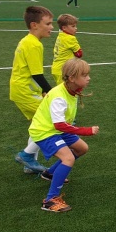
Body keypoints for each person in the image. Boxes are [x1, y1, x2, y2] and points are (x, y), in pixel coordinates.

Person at [30, 58, 99, 212]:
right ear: (72, 78)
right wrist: (86, 131)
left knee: (82, 148)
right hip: (45, 131)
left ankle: (50, 173)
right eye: (85, 75)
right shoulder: (59, 96)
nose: (89, 78)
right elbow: (59, 124)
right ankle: (49, 201)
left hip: (58, 129)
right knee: (67, 158)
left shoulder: (71, 89)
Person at [10, 5, 55, 174]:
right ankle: (26, 155)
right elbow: (37, 74)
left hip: (24, 90)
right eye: (48, 23)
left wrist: (43, 92)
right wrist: (53, 94)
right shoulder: (34, 45)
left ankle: (30, 164)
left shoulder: (28, 41)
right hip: (25, 91)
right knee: (51, 120)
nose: (52, 27)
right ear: (35, 25)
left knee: (38, 124)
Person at [52, 14, 83, 85]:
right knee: (66, 91)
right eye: (73, 26)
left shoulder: (60, 35)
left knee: (61, 89)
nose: (76, 28)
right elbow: (79, 54)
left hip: (56, 68)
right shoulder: (70, 38)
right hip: (64, 69)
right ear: (64, 28)